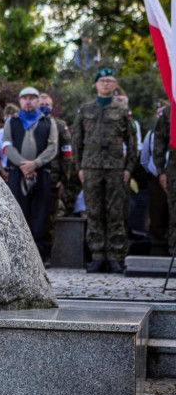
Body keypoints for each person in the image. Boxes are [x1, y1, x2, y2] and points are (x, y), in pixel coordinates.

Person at [71, 68, 138, 273]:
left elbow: (132, 143)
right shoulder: (85, 109)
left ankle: (116, 257)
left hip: (115, 168)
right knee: (93, 211)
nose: (106, 84)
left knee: (116, 213)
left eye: (110, 80)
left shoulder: (122, 110)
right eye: (102, 80)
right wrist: (79, 167)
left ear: (115, 85)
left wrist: (128, 168)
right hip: (91, 167)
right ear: (96, 84)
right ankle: (98, 256)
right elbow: (76, 141)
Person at [2, 87, 58, 261]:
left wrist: (35, 164)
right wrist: (23, 165)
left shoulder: (48, 122)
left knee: (41, 213)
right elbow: (6, 146)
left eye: (32, 98)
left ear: (38, 101)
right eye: (25, 98)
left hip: (41, 173)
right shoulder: (11, 122)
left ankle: (41, 255)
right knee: (18, 213)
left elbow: (53, 147)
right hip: (17, 173)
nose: (28, 101)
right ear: (20, 101)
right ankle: (19, 255)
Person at [38, 93, 74, 236]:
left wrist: (64, 178)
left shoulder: (59, 125)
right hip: (33, 175)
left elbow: (67, 154)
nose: (44, 107)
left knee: (50, 218)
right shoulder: (29, 124)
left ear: (52, 107)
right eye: (41, 104)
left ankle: (47, 248)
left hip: (52, 178)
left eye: (47, 105)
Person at [153, 102, 176, 252]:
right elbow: (159, 141)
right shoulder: (169, 112)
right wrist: (160, 170)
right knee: (174, 211)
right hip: (174, 168)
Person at [0, 103, 19, 180]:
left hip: (19, 171)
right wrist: (3, 172)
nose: (9, 119)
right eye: (7, 116)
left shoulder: (22, 133)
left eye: (13, 116)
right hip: (3, 171)